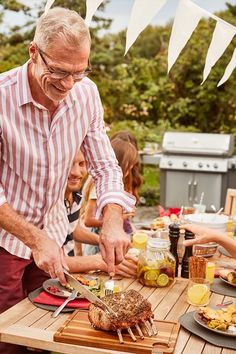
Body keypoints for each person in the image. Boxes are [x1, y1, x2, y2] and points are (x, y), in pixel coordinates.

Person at [0, 7, 135, 354]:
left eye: (79, 71)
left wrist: (113, 219)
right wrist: (34, 238)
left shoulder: (86, 93)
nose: (67, 84)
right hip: (5, 243)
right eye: (58, 71)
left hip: (54, 239)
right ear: (34, 53)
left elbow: (105, 165)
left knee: (49, 337)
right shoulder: (2, 97)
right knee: (8, 340)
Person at [63, 150, 137, 277]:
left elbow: (72, 229)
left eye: (82, 164)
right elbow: (48, 259)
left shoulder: (74, 195)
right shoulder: (48, 202)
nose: (76, 172)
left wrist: (108, 243)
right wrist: (99, 261)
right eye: (69, 164)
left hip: (67, 277)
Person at [82, 137, 142, 254]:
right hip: (98, 246)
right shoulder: (99, 187)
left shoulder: (118, 184)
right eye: (129, 166)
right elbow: (88, 220)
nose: (130, 170)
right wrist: (120, 218)